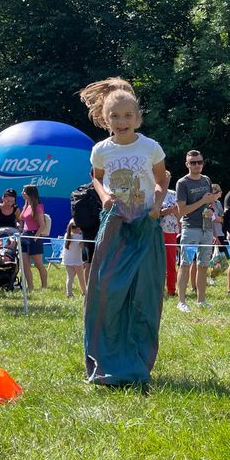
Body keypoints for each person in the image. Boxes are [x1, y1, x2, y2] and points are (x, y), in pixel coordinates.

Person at [80, 77, 169, 388]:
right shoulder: (100, 150)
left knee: (143, 294)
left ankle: (137, 362)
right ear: (106, 119)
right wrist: (104, 197)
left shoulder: (150, 147)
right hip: (115, 224)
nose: (121, 121)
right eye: (115, 116)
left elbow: (162, 179)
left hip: (145, 224)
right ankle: (105, 360)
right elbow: (98, 178)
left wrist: (157, 203)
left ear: (138, 118)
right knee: (106, 287)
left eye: (128, 115)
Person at [174, 149, 217, 311]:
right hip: (190, 228)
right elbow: (182, 211)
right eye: (193, 162)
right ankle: (182, 302)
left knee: (204, 265)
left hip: (206, 228)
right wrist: (203, 201)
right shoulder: (182, 183)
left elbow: (209, 201)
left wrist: (210, 207)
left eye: (199, 162)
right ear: (187, 164)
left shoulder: (206, 180)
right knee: (185, 264)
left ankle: (201, 300)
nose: (197, 165)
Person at [19, 184, 48, 292]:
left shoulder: (38, 206)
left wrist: (35, 238)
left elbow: (42, 225)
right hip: (24, 235)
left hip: (33, 235)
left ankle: (44, 286)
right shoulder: (26, 205)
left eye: (24, 191)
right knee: (25, 264)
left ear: (29, 193)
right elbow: (23, 219)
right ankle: (30, 287)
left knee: (38, 263)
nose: (22, 193)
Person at [157, 189, 180, 297]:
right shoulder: (153, 193)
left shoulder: (174, 194)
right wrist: (165, 211)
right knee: (157, 262)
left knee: (171, 262)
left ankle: (171, 290)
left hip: (171, 231)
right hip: (156, 231)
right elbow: (153, 212)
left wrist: (172, 211)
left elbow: (180, 213)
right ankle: (157, 290)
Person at [61, 219, 87, 297]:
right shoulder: (79, 237)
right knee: (81, 277)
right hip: (77, 261)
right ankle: (85, 292)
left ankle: (69, 293)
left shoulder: (67, 235)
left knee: (70, 277)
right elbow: (82, 247)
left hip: (67, 260)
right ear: (79, 228)